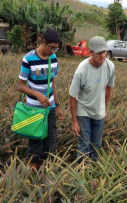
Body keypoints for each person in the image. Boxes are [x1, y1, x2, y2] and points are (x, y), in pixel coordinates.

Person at [17, 28, 64, 169]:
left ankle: (46, 171)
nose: (53, 51)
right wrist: (37, 95)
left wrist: (57, 105)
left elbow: (52, 83)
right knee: (35, 142)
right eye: (51, 48)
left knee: (51, 140)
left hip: (49, 107)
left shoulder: (53, 59)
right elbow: (20, 86)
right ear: (43, 42)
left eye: (56, 49)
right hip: (33, 108)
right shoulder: (28, 59)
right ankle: (33, 173)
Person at [69, 36, 115, 162]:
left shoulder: (110, 66)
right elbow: (72, 96)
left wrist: (105, 109)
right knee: (84, 144)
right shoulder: (82, 70)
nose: (102, 56)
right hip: (83, 111)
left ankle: (93, 173)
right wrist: (74, 121)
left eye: (104, 52)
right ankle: (80, 173)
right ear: (90, 53)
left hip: (99, 112)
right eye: (99, 53)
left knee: (97, 145)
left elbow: (109, 88)